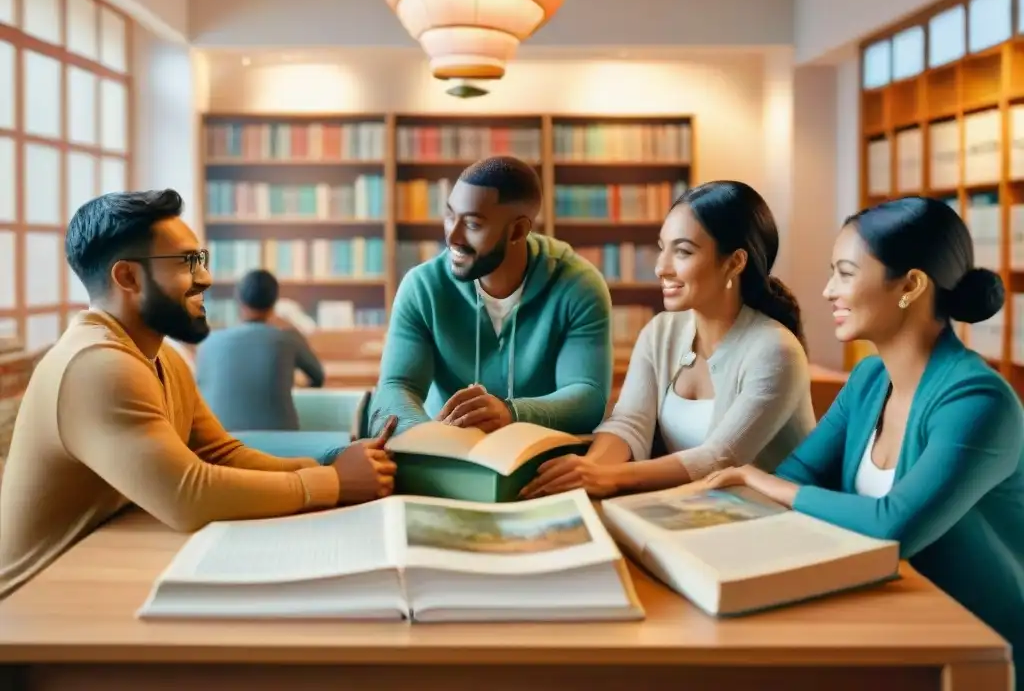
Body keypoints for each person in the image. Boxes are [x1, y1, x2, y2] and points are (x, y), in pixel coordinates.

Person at [0, 189, 396, 600]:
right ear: (129, 277)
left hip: (92, 565)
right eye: (187, 262)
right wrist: (331, 482)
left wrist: (334, 469)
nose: (205, 277)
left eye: (201, 260)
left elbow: (220, 454)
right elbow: (188, 496)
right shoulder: (95, 365)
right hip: (32, 603)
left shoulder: (160, 356)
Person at [701, 196, 1024, 686]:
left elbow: (895, 524)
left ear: (911, 285)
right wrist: (770, 488)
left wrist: (762, 482)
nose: (829, 290)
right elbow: (799, 474)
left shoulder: (979, 401)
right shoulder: (870, 378)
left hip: (972, 649)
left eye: (846, 273)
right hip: (882, 615)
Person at [522, 180, 815, 499]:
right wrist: (587, 473)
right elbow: (629, 422)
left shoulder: (776, 351)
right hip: (696, 509)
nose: (661, 268)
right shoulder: (661, 332)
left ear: (734, 263)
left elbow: (720, 458)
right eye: (662, 248)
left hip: (772, 522)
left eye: (683, 252)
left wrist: (611, 477)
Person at [370, 155, 613, 437]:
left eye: (472, 224)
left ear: (518, 230)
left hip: (537, 457)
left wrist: (512, 413)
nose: (453, 237)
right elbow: (396, 387)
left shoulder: (578, 285)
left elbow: (588, 397)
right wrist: (426, 439)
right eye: (450, 216)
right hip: (447, 454)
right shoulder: (422, 287)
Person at [195, 269, 325, 431]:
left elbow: (200, 389)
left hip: (220, 441)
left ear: (239, 300)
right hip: (279, 441)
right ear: (274, 302)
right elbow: (318, 378)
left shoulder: (209, 342)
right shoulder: (288, 338)